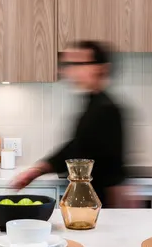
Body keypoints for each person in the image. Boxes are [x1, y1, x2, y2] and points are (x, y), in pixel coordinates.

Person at [10, 41, 128, 207]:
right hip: (91, 203)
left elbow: (113, 172)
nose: (68, 70)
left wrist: (118, 213)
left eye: (77, 64)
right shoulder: (93, 104)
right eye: (67, 64)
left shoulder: (106, 109)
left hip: (98, 206)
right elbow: (77, 147)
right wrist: (36, 171)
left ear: (100, 68)